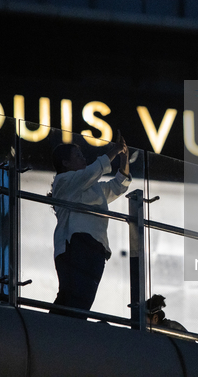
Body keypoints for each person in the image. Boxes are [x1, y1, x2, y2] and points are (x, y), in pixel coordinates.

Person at [50, 131, 131, 316]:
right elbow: (93, 171)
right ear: (65, 163)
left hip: (95, 247)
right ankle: (61, 333)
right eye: (78, 156)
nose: (83, 158)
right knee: (76, 298)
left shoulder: (91, 187)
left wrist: (124, 158)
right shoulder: (63, 182)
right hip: (76, 243)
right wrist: (114, 151)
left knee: (78, 297)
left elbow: (118, 185)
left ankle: (56, 332)